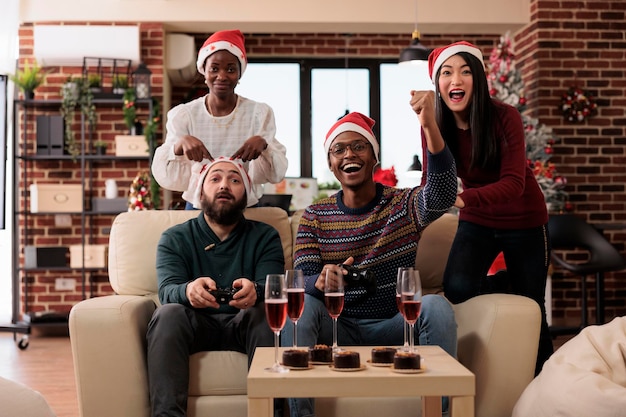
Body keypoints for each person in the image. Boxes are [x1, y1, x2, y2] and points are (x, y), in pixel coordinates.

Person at [281, 111, 459, 417]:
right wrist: (318, 282)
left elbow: (443, 194)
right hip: (337, 326)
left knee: (437, 306)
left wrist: (430, 125)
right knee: (301, 308)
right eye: (339, 149)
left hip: (395, 324)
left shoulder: (403, 205)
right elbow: (301, 281)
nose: (349, 154)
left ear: (374, 156)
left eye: (359, 146)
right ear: (331, 164)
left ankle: (440, 414)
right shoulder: (314, 216)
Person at [420, 41, 553, 375]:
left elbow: (514, 183)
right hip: (478, 219)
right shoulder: (435, 123)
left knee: (533, 304)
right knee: (458, 287)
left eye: (466, 71)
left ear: (478, 78)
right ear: (437, 83)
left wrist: (464, 199)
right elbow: (431, 177)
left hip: (524, 217)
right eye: (447, 73)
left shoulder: (503, 116)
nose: (456, 80)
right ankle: (511, 283)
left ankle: (544, 379)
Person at [146, 157, 285, 417]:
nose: (224, 185)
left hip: (246, 324)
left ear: (246, 195)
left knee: (265, 312)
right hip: (195, 324)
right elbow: (167, 291)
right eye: (215, 178)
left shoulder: (265, 236)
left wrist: (255, 289)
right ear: (200, 191)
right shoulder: (174, 238)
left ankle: (270, 413)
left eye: (235, 180)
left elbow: (273, 285)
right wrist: (188, 290)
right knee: (167, 314)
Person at [151, 29, 288, 208]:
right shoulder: (184, 115)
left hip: (244, 204)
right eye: (214, 69)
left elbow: (276, 173)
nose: (222, 76)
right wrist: (179, 144)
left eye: (230, 69)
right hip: (199, 204)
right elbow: (164, 174)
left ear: (240, 74)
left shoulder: (258, 113)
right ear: (204, 72)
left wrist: (264, 145)